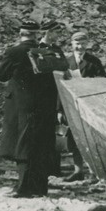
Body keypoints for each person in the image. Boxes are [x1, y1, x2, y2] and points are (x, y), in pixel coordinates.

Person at [0, 20, 52, 197]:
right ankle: (40, 187)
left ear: (21, 34)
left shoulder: (15, 51)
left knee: (22, 144)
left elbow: (1, 75)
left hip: (21, 105)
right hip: (43, 104)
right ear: (36, 34)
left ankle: (24, 188)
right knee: (39, 144)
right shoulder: (46, 51)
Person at [62, 30, 106, 182]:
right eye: (77, 43)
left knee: (90, 138)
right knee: (74, 138)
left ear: (87, 45)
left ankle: (94, 173)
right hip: (71, 105)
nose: (79, 47)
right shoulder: (65, 62)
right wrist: (59, 109)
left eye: (82, 44)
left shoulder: (94, 62)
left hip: (89, 105)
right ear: (71, 44)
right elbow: (59, 86)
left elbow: (103, 82)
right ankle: (78, 170)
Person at [37, 19, 67, 178]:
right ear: (48, 32)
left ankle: (54, 169)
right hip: (42, 97)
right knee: (42, 134)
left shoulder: (57, 49)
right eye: (56, 32)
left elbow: (64, 66)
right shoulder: (37, 49)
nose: (59, 35)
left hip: (56, 96)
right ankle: (42, 168)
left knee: (55, 132)